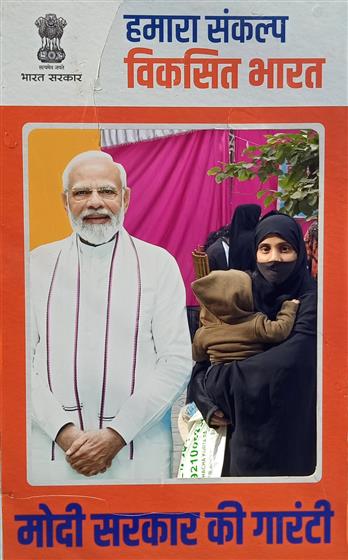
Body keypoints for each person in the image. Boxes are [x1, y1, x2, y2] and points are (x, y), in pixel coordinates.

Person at [29, 150, 192, 483]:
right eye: (81, 193)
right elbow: (14, 363)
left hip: (137, 454)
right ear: (64, 201)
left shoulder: (158, 265)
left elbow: (175, 362)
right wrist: (65, 434)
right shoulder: (35, 267)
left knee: (140, 533)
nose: (94, 203)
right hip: (51, 452)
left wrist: (117, 434)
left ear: (126, 198)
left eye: (106, 191)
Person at [187, 212, 317, 477]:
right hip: (240, 441)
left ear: (299, 253)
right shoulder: (240, 293)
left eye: (285, 249)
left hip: (291, 440)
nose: (274, 258)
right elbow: (203, 362)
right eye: (265, 249)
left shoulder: (311, 300)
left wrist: (219, 379)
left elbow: (288, 362)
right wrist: (207, 404)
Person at [191, 269, 299, 365]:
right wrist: (289, 307)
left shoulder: (203, 333)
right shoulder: (255, 323)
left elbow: (198, 357)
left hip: (219, 381)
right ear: (244, 297)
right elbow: (280, 330)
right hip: (251, 375)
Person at [228, 203, 261, 270]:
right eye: (259, 216)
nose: (260, 219)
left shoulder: (236, 236)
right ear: (251, 217)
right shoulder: (252, 238)